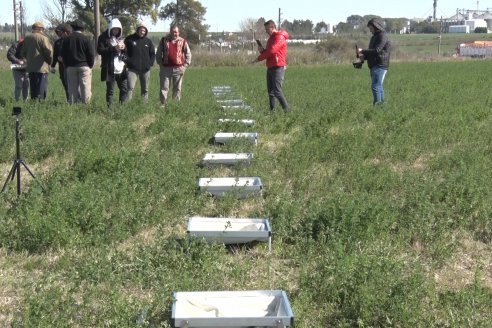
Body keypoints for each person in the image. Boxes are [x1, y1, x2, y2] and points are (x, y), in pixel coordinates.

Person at [254, 20, 290, 113]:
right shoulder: (271, 39)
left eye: (267, 29)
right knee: (271, 92)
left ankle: (288, 112)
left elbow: (272, 51)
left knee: (277, 91)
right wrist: (262, 51)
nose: (266, 31)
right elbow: (269, 52)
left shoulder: (280, 37)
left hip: (278, 67)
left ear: (272, 27)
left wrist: (259, 58)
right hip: (270, 66)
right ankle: (272, 112)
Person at [156, 25, 191, 107]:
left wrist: (185, 65)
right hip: (165, 69)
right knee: (164, 88)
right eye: (172, 31)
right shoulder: (164, 40)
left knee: (177, 88)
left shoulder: (183, 41)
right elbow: (158, 53)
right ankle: (163, 104)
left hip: (179, 69)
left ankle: (175, 105)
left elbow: (188, 54)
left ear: (178, 32)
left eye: (176, 32)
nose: (174, 33)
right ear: (170, 31)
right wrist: (160, 64)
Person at [358, 18, 391, 106]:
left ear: (376, 26)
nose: (370, 30)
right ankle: (381, 107)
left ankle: (377, 106)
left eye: (371, 28)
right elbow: (372, 52)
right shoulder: (374, 37)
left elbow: (377, 50)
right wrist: (363, 57)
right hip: (374, 65)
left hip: (380, 64)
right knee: (378, 86)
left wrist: (362, 51)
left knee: (375, 86)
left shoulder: (383, 35)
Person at [61, 20, 95, 104]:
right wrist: (90, 65)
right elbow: (91, 54)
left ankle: (73, 106)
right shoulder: (86, 39)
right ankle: (86, 105)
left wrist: (66, 65)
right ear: (82, 29)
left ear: (72, 28)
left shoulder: (66, 39)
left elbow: (63, 54)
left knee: (72, 88)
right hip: (84, 65)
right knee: (85, 87)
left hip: (71, 66)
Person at [97, 18, 128, 107]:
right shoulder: (103, 37)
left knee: (124, 89)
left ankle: (122, 108)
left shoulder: (121, 38)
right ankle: (110, 110)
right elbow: (100, 50)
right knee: (110, 91)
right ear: (110, 28)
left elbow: (126, 52)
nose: (116, 31)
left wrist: (124, 48)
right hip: (109, 67)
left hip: (121, 67)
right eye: (114, 29)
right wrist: (114, 48)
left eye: (118, 29)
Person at [20, 22, 53, 101]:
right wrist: (50, 62)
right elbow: (49, 52)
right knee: (41, 87)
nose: (43, 30)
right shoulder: (43, 38)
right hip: (42, 67)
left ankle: (34, 101)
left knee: (33, 86)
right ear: (39, 29)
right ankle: (40, 103)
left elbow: (23, 52)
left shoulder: (27, 38)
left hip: (31, 67)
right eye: (42, 29)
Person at [124, 22, 156, 102]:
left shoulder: (148, 42)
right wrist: (128, 61)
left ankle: (143, 106)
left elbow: (152, 54)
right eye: (141, 30)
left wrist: (150, 64)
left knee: (145, 89)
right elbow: (124, 52)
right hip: (132, 69)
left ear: (146, 32)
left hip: (145, 69)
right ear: (137, 30)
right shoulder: (129, 39)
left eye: (144, 31)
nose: (142, 32)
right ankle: (128, 106)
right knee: (130, 88)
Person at [51, 23, 73, 101]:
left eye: (59, 32)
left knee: (73, 84)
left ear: (65, 31)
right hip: (62, 67)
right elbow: (55, 55)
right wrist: (53, 65)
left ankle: (76, 100)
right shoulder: (57, 43)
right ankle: (69, 100)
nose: (58, 34)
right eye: (57, 32)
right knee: (65, 84)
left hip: (71, 66)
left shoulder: (71, 40)